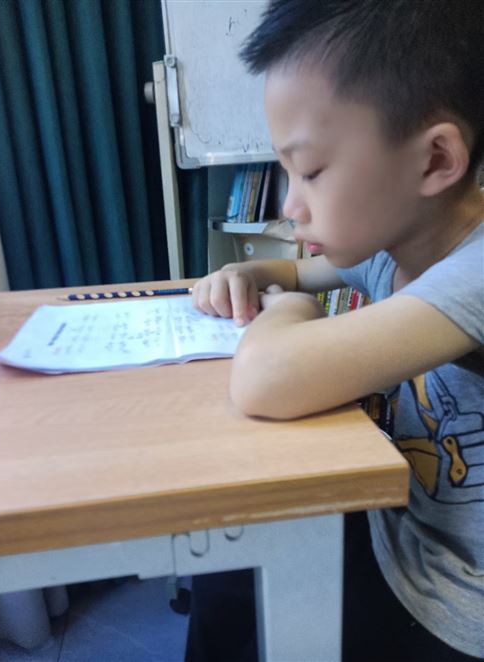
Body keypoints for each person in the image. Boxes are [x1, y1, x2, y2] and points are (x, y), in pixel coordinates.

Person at [186, 1, 484, 660]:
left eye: (312, 171)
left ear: (436, 159)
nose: (290, 206)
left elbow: (266, 377)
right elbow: (292, 271)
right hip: (400, 530)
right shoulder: (397, 241)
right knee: (229, 560)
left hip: (455, 608)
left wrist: (287, 309)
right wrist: (244, 277)